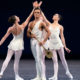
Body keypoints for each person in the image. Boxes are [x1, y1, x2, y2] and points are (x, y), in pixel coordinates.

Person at [0, 7, 34, 80]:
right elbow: (29, 17)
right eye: (17, 17)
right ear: (16, 20)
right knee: (16, 61)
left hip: (12, 44)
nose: (18, 17)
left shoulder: (10, 29)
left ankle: (1, 72)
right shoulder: (22, 26)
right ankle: (16, 76)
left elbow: (4, 38)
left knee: (7, 59)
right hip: (19, 46)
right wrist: (33, 9)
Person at [41, 12, 73, 80]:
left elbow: (62, 37)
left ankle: (67, 71)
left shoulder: (60, 26)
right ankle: (55, 76)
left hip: (58, 43)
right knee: (55, 61)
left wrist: (65, 47)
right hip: (51, 44)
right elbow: (44, 17)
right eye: (54, 14)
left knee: (63, 59)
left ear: (58, 18)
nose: (53, 15)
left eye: (55, 15)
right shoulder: (49, 24)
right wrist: (39, 8)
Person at [27, 4, 50, 80]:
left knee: (40, 60)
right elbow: (27, 34)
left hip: (39, 43)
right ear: (33, 13)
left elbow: (49, 32)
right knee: (36, 60)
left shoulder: (41, 23)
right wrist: (31, 36)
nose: (36, 14)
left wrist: (43, 41)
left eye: (38, 12)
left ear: (40, 14)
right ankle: (38, 76)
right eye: (35, 12)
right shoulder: (30, 23)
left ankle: (43, 77)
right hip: (32, 42)